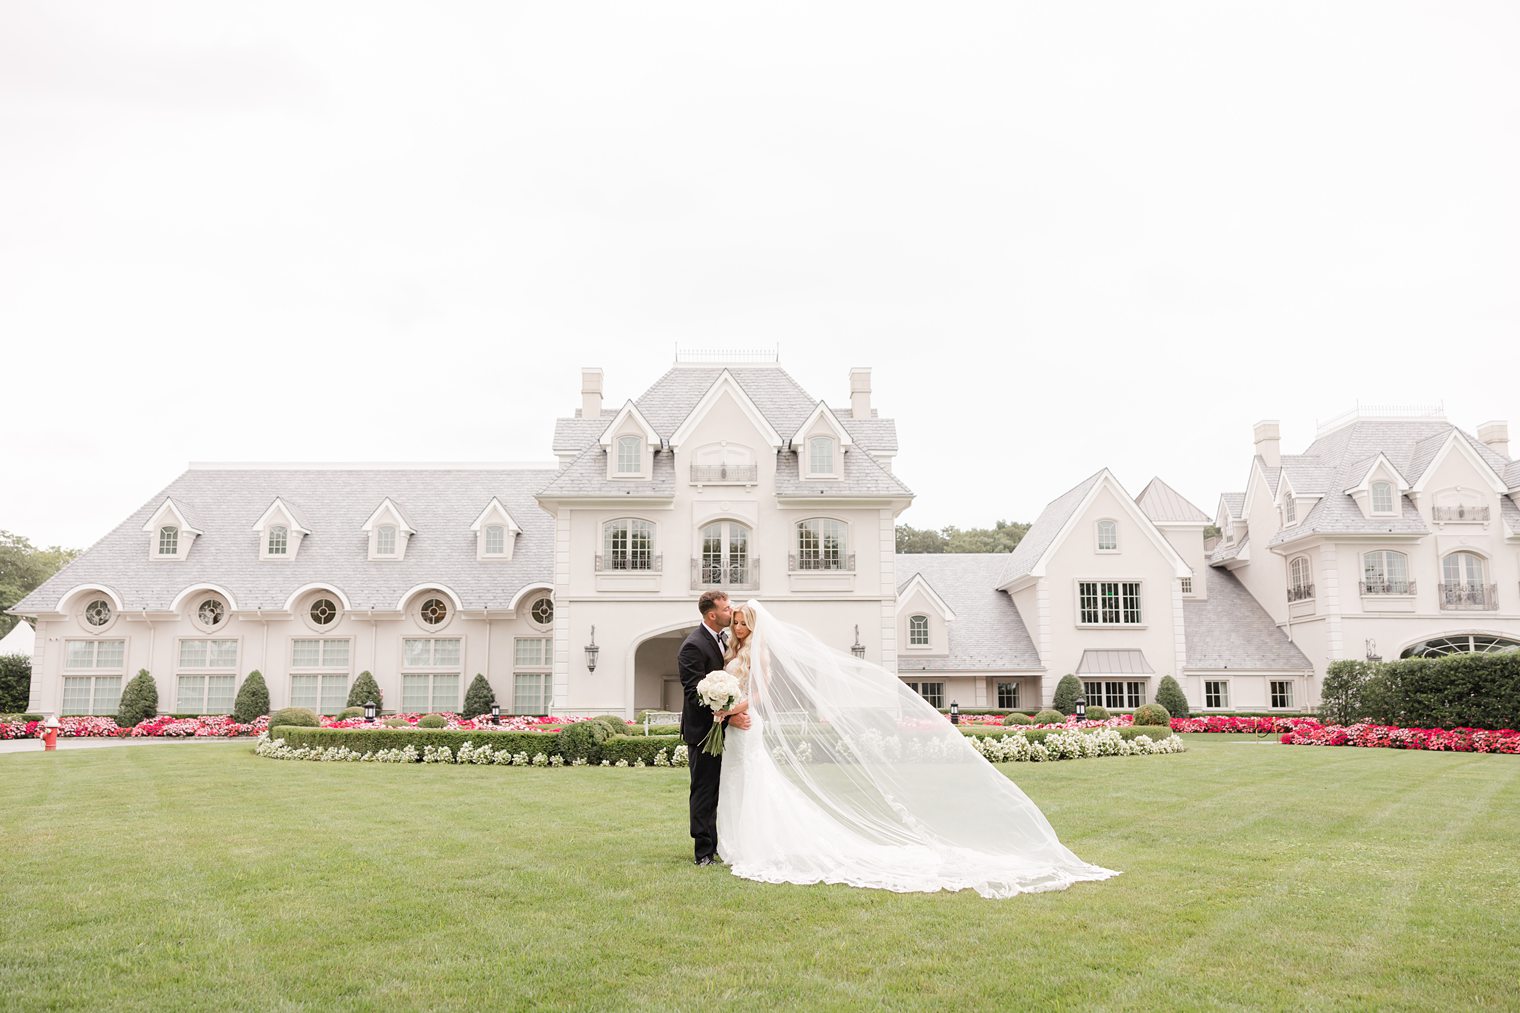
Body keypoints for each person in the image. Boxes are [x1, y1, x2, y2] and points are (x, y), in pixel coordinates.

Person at [709, 600, 1118, 898]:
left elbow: (760, 694)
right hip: (734, 727)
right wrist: (723, 708)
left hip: (747, 723)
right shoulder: (732, 651)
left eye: (744, 622)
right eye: (737, 622)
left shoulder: (758, 651)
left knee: (756, 783)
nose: (740, 627)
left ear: (754, 625)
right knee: (738, 782)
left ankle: (758, 844)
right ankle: (736, 842)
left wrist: (730, 710)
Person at [677, 590, 748, 866]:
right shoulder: (693, 646)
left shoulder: (726, 640)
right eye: (727, 609)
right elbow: (694, 694)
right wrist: (729, 717)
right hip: (704, 732)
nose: (731, 613)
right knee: (704, 790)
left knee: (723, 789)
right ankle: (703, 851)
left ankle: (720, 844)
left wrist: (731, 714)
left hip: (725, 729)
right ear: (712, 614)